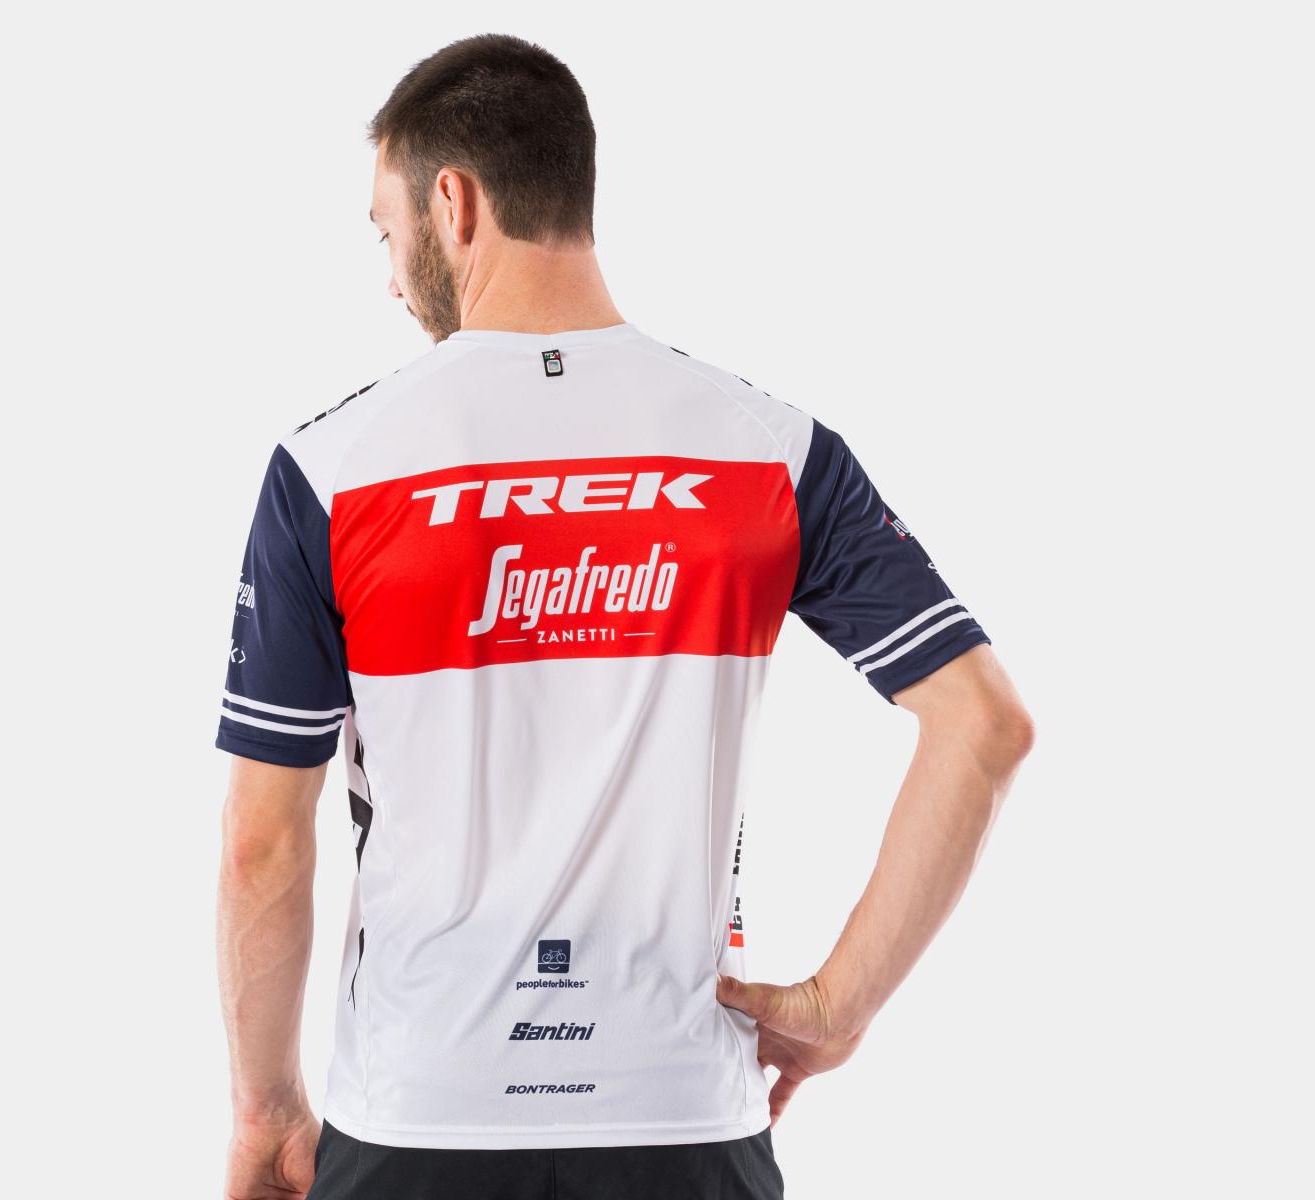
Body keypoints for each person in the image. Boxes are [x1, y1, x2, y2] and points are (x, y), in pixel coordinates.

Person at [213, 33, 1034, 1200]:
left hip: (419, 1115)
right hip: (683, 1112)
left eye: (385, 233)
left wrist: (265, 1112)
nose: (391, 278)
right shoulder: (768, 450)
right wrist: (837, 1006)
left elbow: (262, 843)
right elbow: (984, 726)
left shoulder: (330, 471)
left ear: (453, 204)